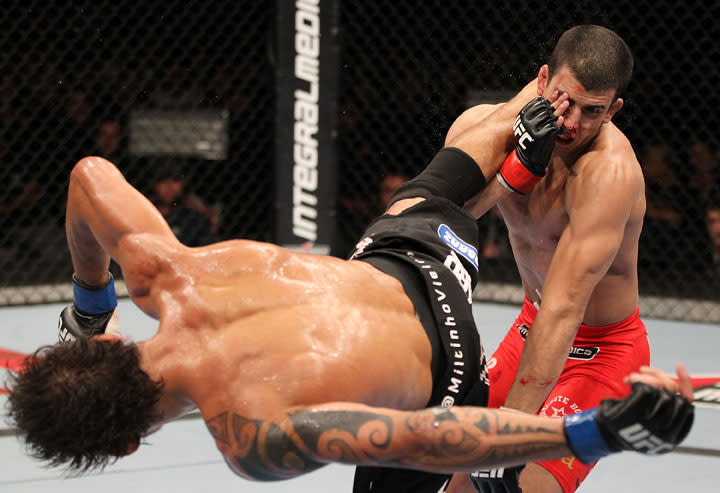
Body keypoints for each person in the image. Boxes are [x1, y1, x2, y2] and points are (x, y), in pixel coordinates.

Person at [6, 91, 693, 492]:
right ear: (111, 343)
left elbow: (425, 435)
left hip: (449, 373)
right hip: (418, 254)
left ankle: (524, 152)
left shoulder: (249, 430)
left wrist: (586, 431)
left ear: (127, 446)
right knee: (433, 182)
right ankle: (536, 105)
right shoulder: (165, 274)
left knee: (400, 460)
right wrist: (91, 301)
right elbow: (90, 177)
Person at [444, 25, 650, 493]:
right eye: (565, 100)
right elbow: (439, 221)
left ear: (614, 110)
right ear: (542, 81)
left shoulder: (608, 173)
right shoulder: (490, 128)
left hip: (602, 351)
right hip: (530, 329)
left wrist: (509, 429)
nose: (571, 122)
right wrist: (511, 177)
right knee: (448, 478)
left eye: (593, 111)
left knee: (521, 487)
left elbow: (565, 306)